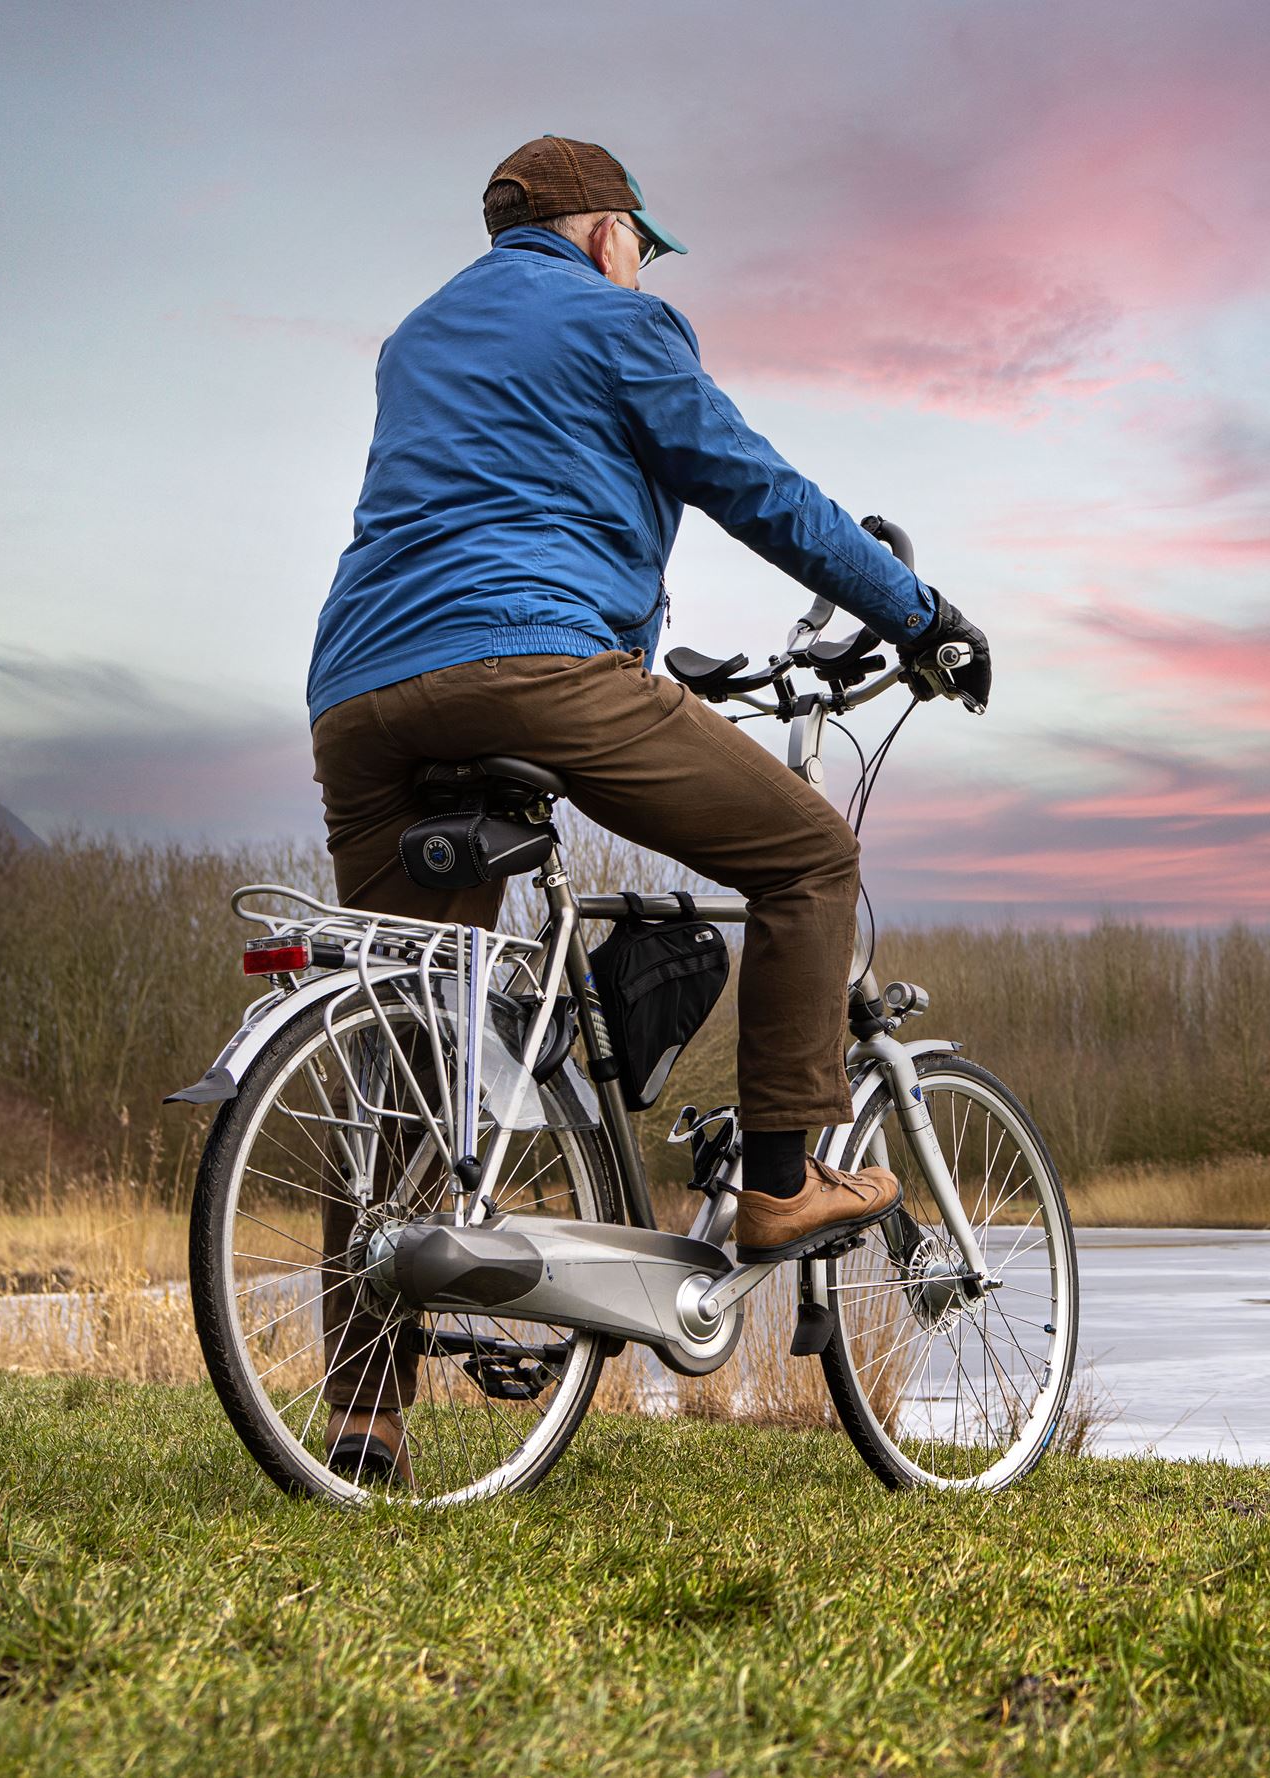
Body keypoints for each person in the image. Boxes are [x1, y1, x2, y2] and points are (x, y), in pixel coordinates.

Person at [306, 135, 991, 1480]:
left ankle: (360, 1410)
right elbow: (757, 488)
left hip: (361, 693)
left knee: (410, 1022)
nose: (647, 264)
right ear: (605, 231)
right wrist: (920, 614)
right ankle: (783, 1182)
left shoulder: (416, 341)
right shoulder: (620, 321)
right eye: (644, 243)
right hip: (534, 664)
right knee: (806, 852)